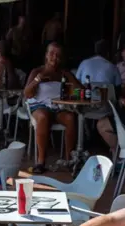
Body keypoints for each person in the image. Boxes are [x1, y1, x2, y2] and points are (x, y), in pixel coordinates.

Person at [24, 43, 80, 174]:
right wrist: (38, 79)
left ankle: (69, 160)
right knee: (43, 117)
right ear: (46, 55)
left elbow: (79, 91)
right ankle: (41, 161)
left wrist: (69, 76)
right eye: (52, 54)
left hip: (59, 107)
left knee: (71, 117)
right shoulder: (37, 71)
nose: (54, 58)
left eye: (58, 55)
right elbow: (27, 93)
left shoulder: (63, 73)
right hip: (39, 106)